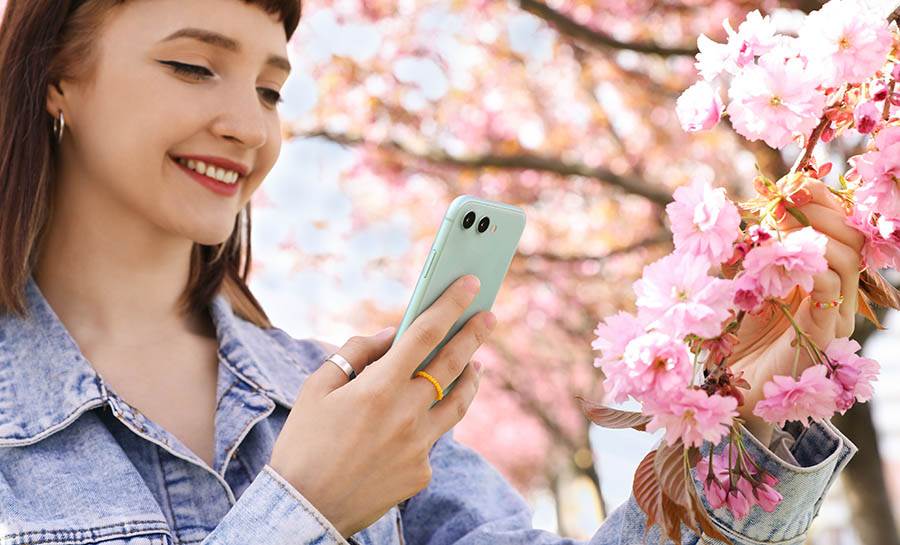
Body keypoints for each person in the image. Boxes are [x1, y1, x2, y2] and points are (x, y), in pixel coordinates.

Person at [0, 1, 861, 544]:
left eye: (269, 90)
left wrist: (738, 426)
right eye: (192, 66)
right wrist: (307, 508)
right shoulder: (343, 439)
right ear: (55, 78)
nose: (248, 126)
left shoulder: (348, 398)